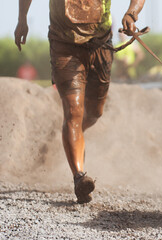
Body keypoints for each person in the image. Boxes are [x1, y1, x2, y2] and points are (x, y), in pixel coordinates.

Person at [14, 0, 145, 204]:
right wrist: (22, 18)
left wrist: (132, 13)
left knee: (94, 113)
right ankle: (79, 177)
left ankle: (72, 135)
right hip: (64, 45)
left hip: (100, 44)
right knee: (73, 111)